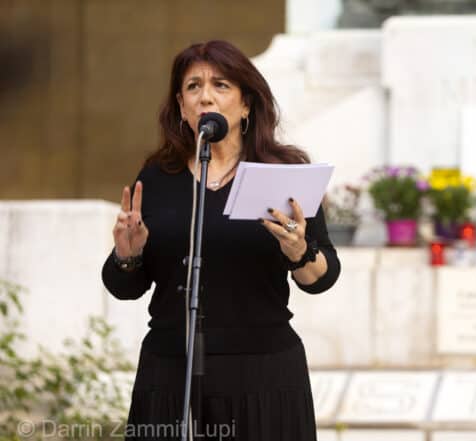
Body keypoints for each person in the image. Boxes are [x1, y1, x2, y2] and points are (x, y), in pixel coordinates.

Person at [101, 40, 341, 441]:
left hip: (262, 375)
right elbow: (125, 287)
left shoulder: (282, 172)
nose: (205, 96)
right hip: (171, 371)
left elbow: (323, 277)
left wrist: (299, 251)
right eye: (193, 86)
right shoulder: (158, 177)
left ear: (246, 104)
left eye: (221, 85)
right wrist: (129, 254)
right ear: (181, 106)